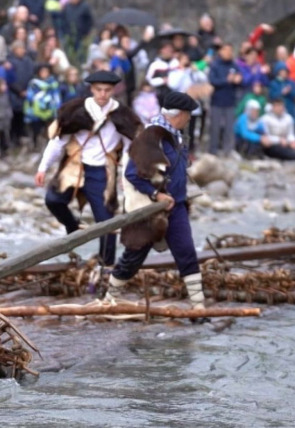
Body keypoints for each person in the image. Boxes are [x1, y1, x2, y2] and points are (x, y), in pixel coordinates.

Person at [107, 91, 205, 311]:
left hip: (177, 206)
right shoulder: (150, 138)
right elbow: (132, 174)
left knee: (186, 252)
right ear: (179, 115)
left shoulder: (177, 135)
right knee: (134, 255)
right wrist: (157, 195)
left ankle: (199, 308)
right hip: (151, 209)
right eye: (188, 114)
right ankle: (108, 299)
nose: (190, 118)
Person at [35, 70, 142, 266]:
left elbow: (129, 148)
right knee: (53, 200)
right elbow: (58, 142)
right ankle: (72, 225)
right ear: (92, 89)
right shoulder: (76, 111)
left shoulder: (121, 114)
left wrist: (126, 173)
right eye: (98, 90)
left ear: (113, 90)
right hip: (76, 167)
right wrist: (43, 167)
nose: (102, 94)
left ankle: (105, 266)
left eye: (107, 90)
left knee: (107, 224)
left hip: (102, 172)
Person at [208, 43, 242, 155]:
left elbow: (239, 78)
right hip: (217, 100)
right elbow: (212, 81)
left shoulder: (234, 65)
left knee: (229, 128)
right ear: (221, 51)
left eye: (231, 50)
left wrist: (238, 80)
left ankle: (228, 150)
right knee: (215, 127)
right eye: (226, 50)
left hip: (230, 100)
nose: (229, 53)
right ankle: (213, 150)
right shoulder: (215, 65)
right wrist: (226, 80)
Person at [24, 63, 61, 147]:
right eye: (42, 72)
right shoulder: (33, 83)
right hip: (36, 112)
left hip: (50, 111)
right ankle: (36, 145)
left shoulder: (53, 83)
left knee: (49, 129)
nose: (44, 73)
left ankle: (49, 146)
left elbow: (56, 97)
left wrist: (57, 108)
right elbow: (30, 97)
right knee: (36, 130)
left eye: (46, 71)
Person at [146, 41, 179, 106]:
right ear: (161, 50)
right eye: (166, 49)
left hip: (175, 95)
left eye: (170, 49)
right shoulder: (155, 64)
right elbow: (148, 80)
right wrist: (162, 80)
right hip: (160, 96)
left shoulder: (176, 62)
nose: (168, 51)